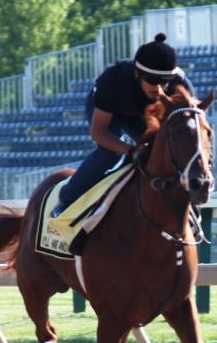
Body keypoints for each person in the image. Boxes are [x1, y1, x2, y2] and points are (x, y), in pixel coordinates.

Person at [50, 33, 194, 217]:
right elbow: (99, 132)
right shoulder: (112, 81)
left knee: (165, 150)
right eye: (151, 80)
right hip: (110, 110)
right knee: (110, 152)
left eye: (164, 82)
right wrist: (131, 151)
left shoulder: (181, 87)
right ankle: (67, 199)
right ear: (137, 74)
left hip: (141, 114)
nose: (158, 89)